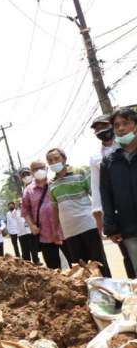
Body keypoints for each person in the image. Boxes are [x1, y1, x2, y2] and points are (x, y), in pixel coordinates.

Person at [46, 148, 111, 277]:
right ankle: (90, 294)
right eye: (50, 161)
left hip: (89, 226)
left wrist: (102, 220)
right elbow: (55, 209)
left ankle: (109, 293)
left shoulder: (80, 172)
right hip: (69, 232)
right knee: (80, 268)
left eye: (56, 158)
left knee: (99, 263)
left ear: (64, 159)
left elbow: (96, 195)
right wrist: (55, 231)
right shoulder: (52, 184)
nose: (54, 162)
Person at [91, 114, 135, 278]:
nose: (102, 131)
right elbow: (99, 191)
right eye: (97, 129)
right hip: (121, 214)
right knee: (129, 255)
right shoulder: (100, 159)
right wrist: (104, 222)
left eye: (104, 126)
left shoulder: (129, 146)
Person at [101, 108, 137, 271]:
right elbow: (106, 196)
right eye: (116, 125)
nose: (121, 128)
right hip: (128, 228)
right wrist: (110, 226)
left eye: (126, 123)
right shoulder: (109, 162)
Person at [22, 160, 65, 269]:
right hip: (45, 236)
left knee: (75, 264)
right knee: (54, 269)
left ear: (46, 168)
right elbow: (25, 211)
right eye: (35, 169)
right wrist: (31, 225)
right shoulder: (28, 190)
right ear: (31, 172)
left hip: (65, 232)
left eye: (40, 167)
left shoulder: (56, 182)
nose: (38, 170)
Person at [17, 170, 42, 264]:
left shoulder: (39, 184)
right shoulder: (25, 191)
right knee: (37, 245)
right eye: (23, 176)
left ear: (32, 174)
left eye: (28, 174)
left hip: (44, 218)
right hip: (33, 223)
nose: (26, 177)